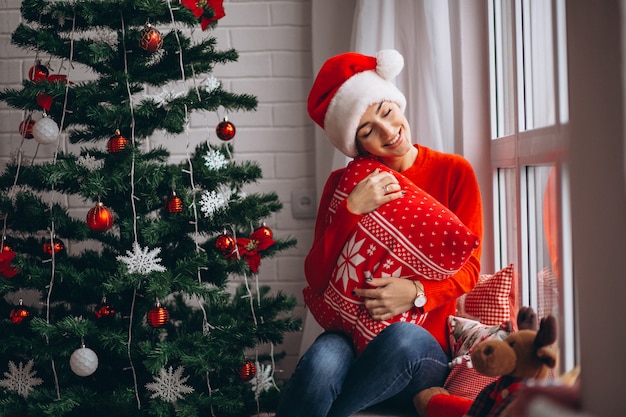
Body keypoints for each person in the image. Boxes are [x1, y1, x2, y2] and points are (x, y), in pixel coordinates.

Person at [276, 50, 483, 417]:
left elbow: (469, 269)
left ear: (398, 105)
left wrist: (416, 293)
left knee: (402, 339)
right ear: (357, 145)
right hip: (351, 339)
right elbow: (316, 277)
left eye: (387, 113)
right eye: (367, 131)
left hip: (421, 352)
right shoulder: (343, 185)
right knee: (323, 359)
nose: (388, 132)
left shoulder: (454, 172)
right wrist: (351, 210)